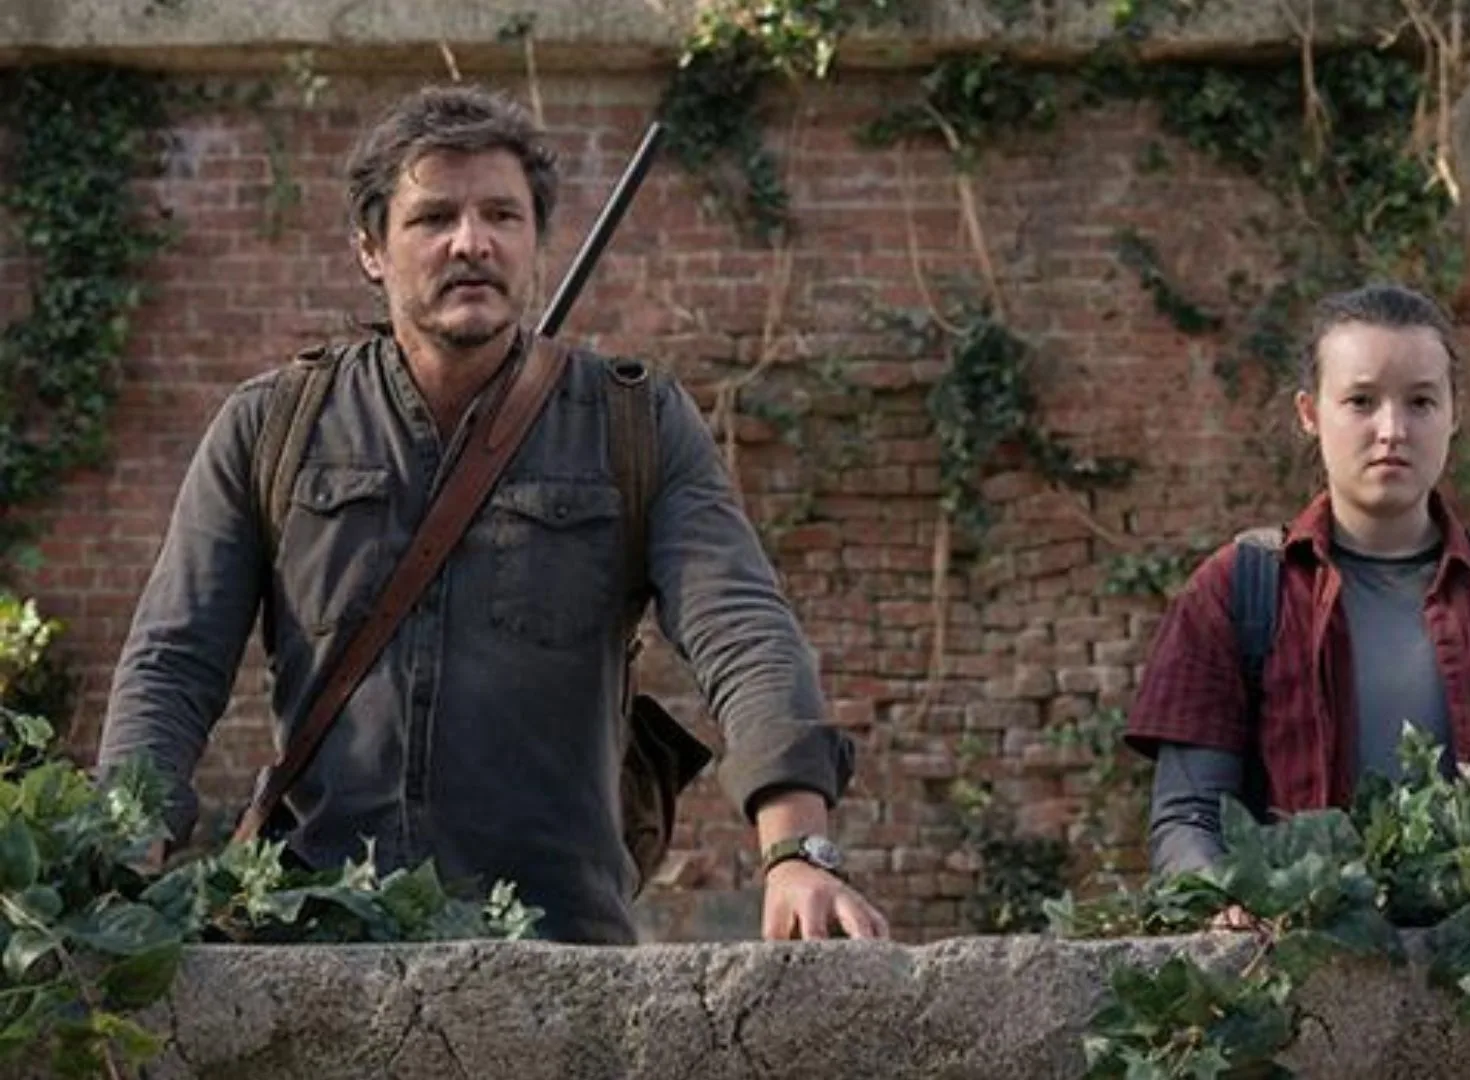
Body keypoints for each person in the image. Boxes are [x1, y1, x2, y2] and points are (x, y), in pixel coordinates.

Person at [95, 85, 887, 945]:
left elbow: (743, 626)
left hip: (555, 944)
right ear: (370, 248)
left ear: (534, 239)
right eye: (434, 217)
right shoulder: (272, 427)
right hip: (314, 935)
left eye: (502, 215)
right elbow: (173, 661)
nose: (471, 241)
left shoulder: (635, 424)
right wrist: (119, 857)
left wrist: (797, 850)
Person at [1124, 282, 1470, 903]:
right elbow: (1188, 818)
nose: (1392, 429)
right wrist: (1225, 907)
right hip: (1303, 952)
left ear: (1454, 414)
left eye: (1421, 401)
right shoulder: (1237, 590)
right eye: (1361, 401)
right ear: (1310, 413)